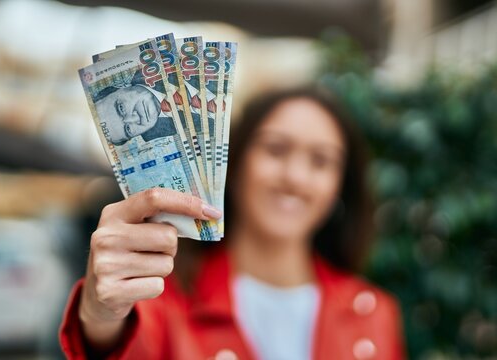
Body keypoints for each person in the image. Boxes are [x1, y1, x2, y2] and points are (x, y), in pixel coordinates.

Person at [60, 87, 406, 359]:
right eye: (276, 149)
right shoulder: (163, 297)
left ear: (339, 187)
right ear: (232, 163)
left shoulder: (375, 312)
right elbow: (114, 344)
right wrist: (100, 312)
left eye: (320, 161)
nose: (295, 177)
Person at [94, 81, 176, 146]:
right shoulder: (168, 136)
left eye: (121, 108)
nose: (136, 118)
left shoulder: (148, 67)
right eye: (128, 129)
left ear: (121, 86)